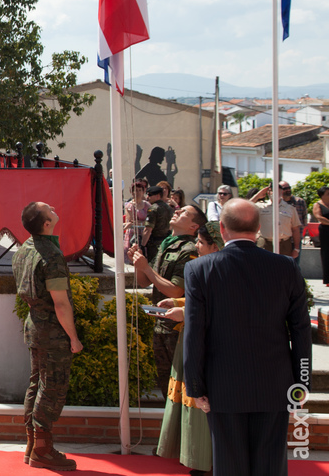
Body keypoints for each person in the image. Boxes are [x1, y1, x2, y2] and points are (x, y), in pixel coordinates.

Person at [183, 199, 310, 476]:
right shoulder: (286, 267)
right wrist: (302, 384)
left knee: (229, 465)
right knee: (270, 464)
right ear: (259, 228)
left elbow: (195, 332)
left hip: (222, 383)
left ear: (222, 229)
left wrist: (195, 385)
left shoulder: (200, 269)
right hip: (276, 384)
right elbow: (300, 329)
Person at [13, 201, 83, 471]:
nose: (55, 208)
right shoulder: (51, 255)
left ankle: (33, 445)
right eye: (49, 209)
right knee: (52, 386)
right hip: (52, 328)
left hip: (34, 324)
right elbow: (61, 303)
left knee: (36, 383)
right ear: (46, 224)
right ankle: (42, 449)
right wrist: (74, 338)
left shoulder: (24, 249)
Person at [155, 221, 224, 476]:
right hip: (194, 341)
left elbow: (218, 307)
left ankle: (207, 462)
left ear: (214, 245)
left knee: (202, 402)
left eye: (201, 242)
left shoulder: (217, 270)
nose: (196, 246)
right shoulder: (204, 268)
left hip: (208, 346)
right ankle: (199, 458)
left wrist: (183, 311)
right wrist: (178, 301)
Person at [129, 204, 204, 397]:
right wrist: (139, 263)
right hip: (161, 323)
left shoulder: (189, 250)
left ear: (193, 227)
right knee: (166, 385)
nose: (176, 212)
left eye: (184, 213)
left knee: (182, 385)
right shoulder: (167, 244)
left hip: (177, 326)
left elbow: (176, 291)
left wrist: (146, 268)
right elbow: (145, 281)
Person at [251, 183, 302, 258]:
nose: (275, 194)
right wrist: (258, 195)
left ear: (281, 192)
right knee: (263, 268)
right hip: (265, 243)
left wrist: (296, 249)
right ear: (268, 192)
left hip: (284, 244)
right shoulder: (260, 206)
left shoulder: (290, 208)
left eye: (278, 191)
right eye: (273, 191)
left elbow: (295, 229)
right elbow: (243, 209)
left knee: (283, 268)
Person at [138, 185, 173, 263]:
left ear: (157, 196)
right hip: (166, 241)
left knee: (153, 264)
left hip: (155, 243)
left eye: (150, 195)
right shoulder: (169, 208)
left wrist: (142, 245)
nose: (147, 197)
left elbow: (148, 229)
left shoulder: (153, 209)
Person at [123, 179, 150, 259]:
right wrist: (142, 222)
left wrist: (140, 223)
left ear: (143, 192)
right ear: (132, 192)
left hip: (145, 233)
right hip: (132, 234)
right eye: (135, 190)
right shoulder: (129, 205)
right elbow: (131, 220)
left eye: (139, 190)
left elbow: (149, 220)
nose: (137, 192)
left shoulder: (147, 205)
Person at [314, 186, 329, 286]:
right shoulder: (318, 204)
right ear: (322, 195)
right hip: (326, 231)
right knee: (326, 254)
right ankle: (328, 279)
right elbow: (318, 217)